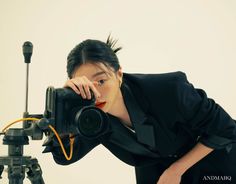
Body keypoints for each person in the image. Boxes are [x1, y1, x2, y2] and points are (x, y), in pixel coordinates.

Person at [43, 36, 236, 184]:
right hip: (157, 174)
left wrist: (176, 170)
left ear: (119, 74)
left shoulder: (170, 89)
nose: (97, 94)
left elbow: (225, 128)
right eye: (88, 86)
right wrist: (66, 108)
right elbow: (66, 157)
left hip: (211, 162)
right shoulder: (91, 116)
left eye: (101, 81)